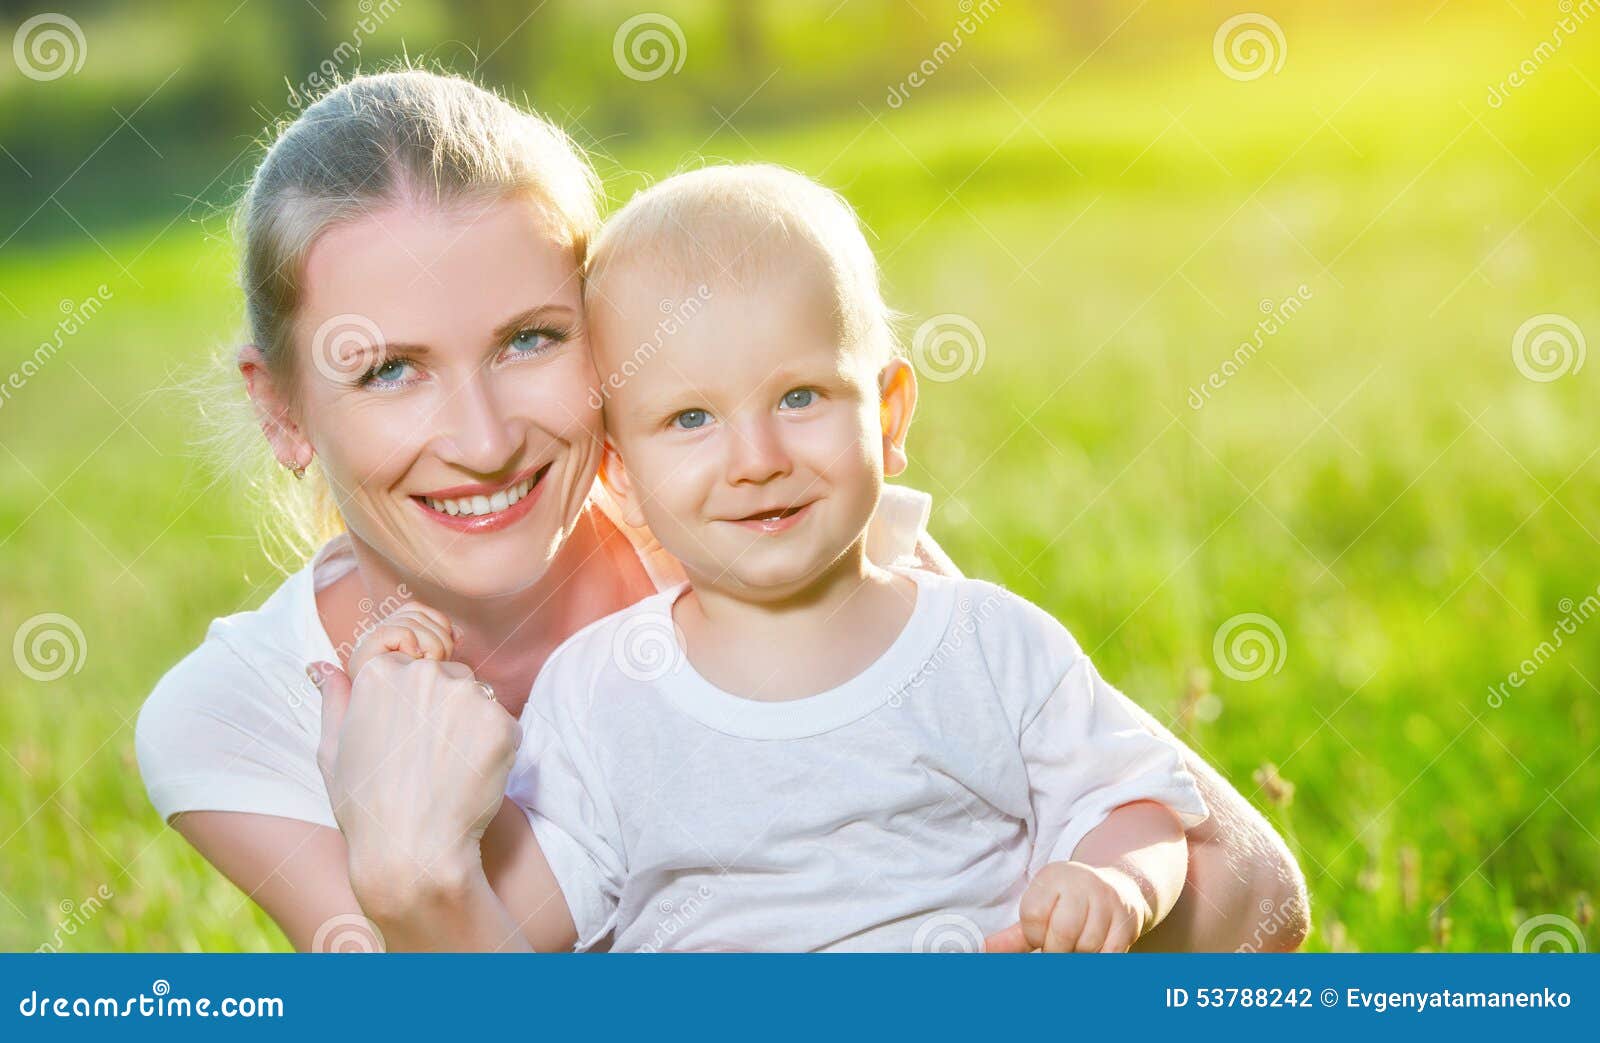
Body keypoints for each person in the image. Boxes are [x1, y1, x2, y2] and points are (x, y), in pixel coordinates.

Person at [134, 68, 1308, 952]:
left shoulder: (777, 548)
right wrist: (409, 880)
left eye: (530, 340)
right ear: (282, 408)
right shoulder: (235, 717)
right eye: (389, 367)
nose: (484, 436)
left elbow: (1255, 893)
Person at [350, 163, 1209, 952]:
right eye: (691, 419)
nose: (756, 457)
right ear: (621, 471)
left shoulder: (989, 643)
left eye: (801, 396)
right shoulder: (601, 696)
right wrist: (424, 754)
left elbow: (1130, 799)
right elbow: (517, 935)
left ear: (889, 414)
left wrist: (1113, 881)